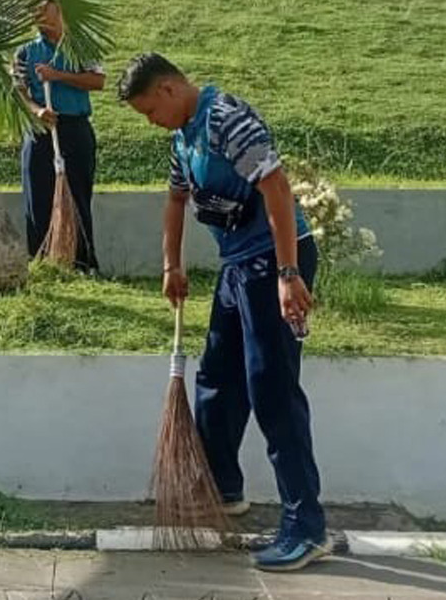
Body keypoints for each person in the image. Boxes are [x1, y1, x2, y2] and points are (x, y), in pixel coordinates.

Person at [116, 52, 330, 572]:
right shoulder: (183, 137)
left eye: (150, 111)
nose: (152, 122)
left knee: (272, 389)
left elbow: (276, 189)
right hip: (239, 267)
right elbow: (174, 200)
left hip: (276, 262)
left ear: (169, 89)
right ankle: (222, 488)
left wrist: (287, 275)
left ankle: (307, 527)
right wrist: (172, 265)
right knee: (217, 379)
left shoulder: (226, 119)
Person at [13, 0, 105, 273]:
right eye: (33, 12)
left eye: (43, 10)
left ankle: (82, 264)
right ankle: (41, 264)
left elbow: (97, 81)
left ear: (58, 9)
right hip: (40, 129)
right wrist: (37, 110)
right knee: (38, 196)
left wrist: (58, 76)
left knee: (77, 195)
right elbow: (18, 92)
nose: (38, 17)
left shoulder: (80, 46)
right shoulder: (25, 52)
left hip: (75, 128)